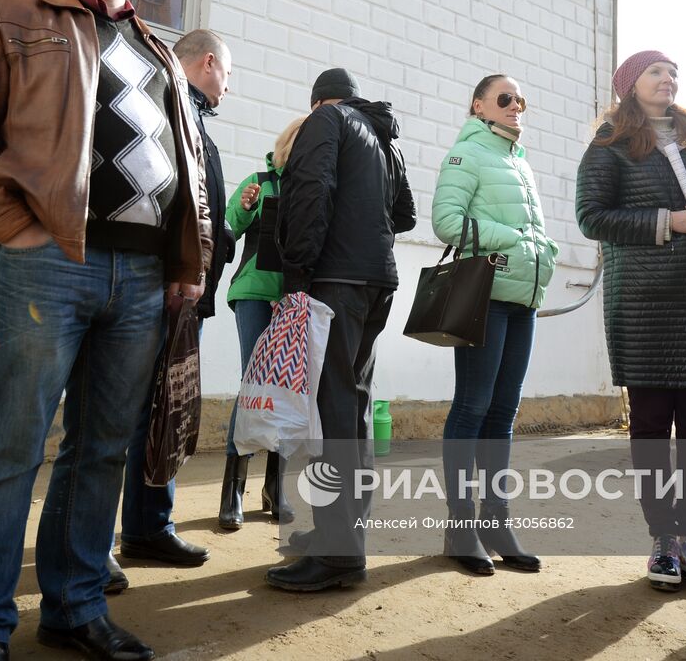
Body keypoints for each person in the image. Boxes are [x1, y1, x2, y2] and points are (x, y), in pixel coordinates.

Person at [0, 0, 211, 661]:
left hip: (144, 279)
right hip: (46, 262)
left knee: (101, 451)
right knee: (8, 446)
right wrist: (11, 226)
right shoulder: (10, 16)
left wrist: (189, 265)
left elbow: (189, 170)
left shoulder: (160, 51)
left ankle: (75, 606)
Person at [575, 50, 686, 596]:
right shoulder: (610, 141)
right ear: (631, 85)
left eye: (673, 73)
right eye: (656, 72)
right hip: (647, 305)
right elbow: (592, 217)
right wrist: (670, 221)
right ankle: (662, 539)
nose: (668, 79)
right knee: (652, 430)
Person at [265, 68, 416, 593]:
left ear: (319, 101)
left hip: (333, 281)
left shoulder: (325, 120)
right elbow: (406, 215)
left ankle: (338, 556)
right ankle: (345, 535)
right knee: (352, 409)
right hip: (377, 282)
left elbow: (310, 190)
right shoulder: (382, 137)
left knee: (330, 416)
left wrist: (297, 274)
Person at [117, 28, 233, 573]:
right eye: (227, 75)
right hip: (169, 291)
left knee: (162, 413)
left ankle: (144, 527)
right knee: (146, 414)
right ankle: (136, 533)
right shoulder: (173, 106)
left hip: (182, 290)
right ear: (208, 63)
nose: (226, 88)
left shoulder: (187, 112)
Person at [432, 74, 558, 576]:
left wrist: (544, 251)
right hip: (484, 296)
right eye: (505, 99)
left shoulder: (518, 162)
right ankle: (460, 530)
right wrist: (512, 239)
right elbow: (446, 221)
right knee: (473, 407)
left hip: (522, 300)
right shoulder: (468, 154)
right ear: (479, 105)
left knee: (504, 411)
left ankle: (496, 521)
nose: (515, 107)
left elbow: (533, 231)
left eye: (521, 100)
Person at [217, 115, 307, 530]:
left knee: (287, 390)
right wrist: (246, 205)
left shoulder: (316, 185)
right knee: (253, 385)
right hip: (255, 292)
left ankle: (275, 488)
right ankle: (232, 490)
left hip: (294, 298)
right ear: (289, 143)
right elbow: (230, 227)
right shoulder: (259, 179)